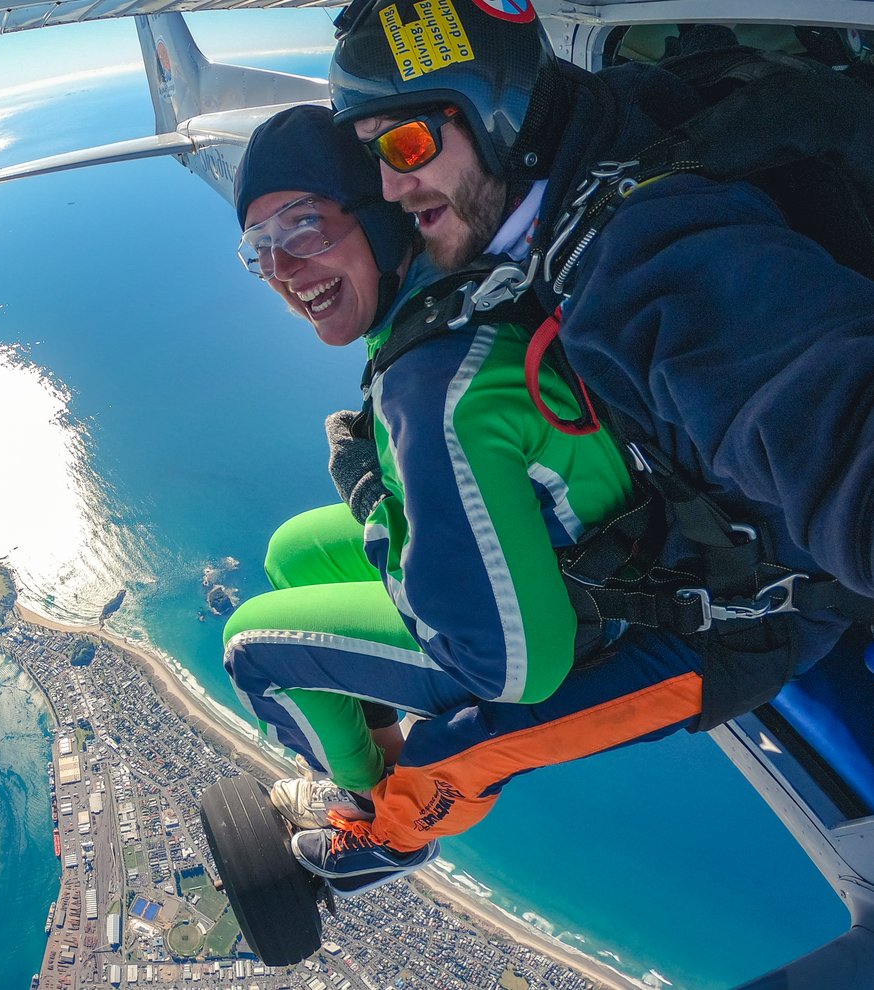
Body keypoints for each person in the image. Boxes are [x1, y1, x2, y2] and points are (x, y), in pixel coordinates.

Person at [329, 1, 874, 731]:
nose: (393, 190)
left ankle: (380, 828)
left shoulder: (648, 263)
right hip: (698, 535)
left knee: (450, 750)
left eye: (404, 145)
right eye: (375, 159)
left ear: (492, 111)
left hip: (760, 621)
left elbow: (825, 424)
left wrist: (373, 502)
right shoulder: (615, 123)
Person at [223, 104, 706, 896]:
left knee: (251, 650)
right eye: (261, 248)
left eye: (304, 226)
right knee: (293, 554)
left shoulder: (431, 383)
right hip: (597, 542)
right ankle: (366, 768)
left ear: (378, 215)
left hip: (580, 618)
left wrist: (378, 502)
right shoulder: (448, 291)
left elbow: (517, 667)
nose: (283, 266)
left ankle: (382, 826)